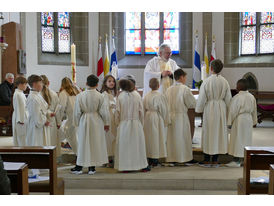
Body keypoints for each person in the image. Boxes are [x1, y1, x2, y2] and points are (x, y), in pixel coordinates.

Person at [195, 59, 232, 168]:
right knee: (218, 132)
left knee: (209, 132)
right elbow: (228, 99)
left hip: (210, 108)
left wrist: (199, 109)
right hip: (220, 107)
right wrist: (227, 110)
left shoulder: (207, 81)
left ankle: (207, 159)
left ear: (211, 68)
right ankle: (216, 159)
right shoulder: (224, 81)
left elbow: (202, 98)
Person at [71, 74, 110, 175]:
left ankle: (79, 167)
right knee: (94, 143)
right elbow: (104, 111)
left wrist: (76, 123)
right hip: (96, 120)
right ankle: (91, 168)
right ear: (97, 85)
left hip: (84, 120)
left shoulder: (80, 96)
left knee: (83, 143)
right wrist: (106, 123)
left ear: (86, 83)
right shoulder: (100, 96)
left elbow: (77, 112)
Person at [114, 78, 150, 172]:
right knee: (137, 146)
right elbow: (141, 112)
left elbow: (117, 112)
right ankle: (140, 165)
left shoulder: (120, 97)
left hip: (124, 123)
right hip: (136, 123)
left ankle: (125, 167)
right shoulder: (137, 95)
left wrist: (118, 124)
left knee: (125, 146)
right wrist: (140, 123)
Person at [165, 69, 196, 165]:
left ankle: (172, 158)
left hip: (171, 116)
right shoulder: (184, 89)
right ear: (181, 77)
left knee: (172, 138)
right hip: (181, 116)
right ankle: (183, 158)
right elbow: (191, 103)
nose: (185, 79)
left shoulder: (169, 89)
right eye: (185, 77)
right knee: (182, 137)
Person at [226, 79, 257, 167]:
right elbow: (254, 110)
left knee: (238, 139)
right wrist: (254, 121)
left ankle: (237, 160)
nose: (236, 87)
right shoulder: (251, 97)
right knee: (246, 139)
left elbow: (232, 111)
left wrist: (229, 122)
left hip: (239, 119)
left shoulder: (237, 97)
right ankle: (244, 159)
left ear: (239, 87)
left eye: (237, 85)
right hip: (248, 119)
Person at [25, 75, 50, 177]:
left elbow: (43, 110)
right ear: (34, 84)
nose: (42, 85)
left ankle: (41, 167)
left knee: (42, 146)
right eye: (40, 83)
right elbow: (37, 117)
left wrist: (46, 116)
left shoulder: (37, 95)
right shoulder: (32, 98)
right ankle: (35, 171)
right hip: (36, 127)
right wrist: (44, 120)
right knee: (36, 145)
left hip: (40, 125)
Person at [143, 78, 169, 167]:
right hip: (156, 117)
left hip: (147, 117)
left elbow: (143, 108)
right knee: (156, 137)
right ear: (158, 86)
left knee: (149, 138)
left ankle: (149, 158)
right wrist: (166, 120)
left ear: (149, 86)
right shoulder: (160, 95)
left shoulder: (146, 95)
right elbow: (163, 109)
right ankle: (155, 159)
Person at [58, 77, 80, 154]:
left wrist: (59, 119)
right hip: (79, 116)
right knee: (76, 136)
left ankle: (78, 155)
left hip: (71, 117)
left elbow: (62, 107)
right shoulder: (76, 91)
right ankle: (79, 154)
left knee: (71, 136)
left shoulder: (63, 93)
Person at [40, 75, 61, 156]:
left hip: (42, 119)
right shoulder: (54, 94)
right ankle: (53, 157)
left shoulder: (38, 94)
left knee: (44, 140)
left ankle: (43, 156)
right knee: (52, 139)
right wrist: (59, 122)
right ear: (48, 83)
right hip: (52, 119)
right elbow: (57, 110)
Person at [100, 74, 118, 167]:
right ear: (105, 83)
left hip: (114, 117)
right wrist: (106, 122)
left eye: (113, 81)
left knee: (114, 137)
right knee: (108, 138)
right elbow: (104, 109)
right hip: (108, 118)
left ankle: (112, 157)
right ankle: (107, 158)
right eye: (109, 81)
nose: (112, 83)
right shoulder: (104, 94)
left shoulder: (113, 94)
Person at [12, 76, 28, 146]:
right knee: (21, 136)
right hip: (20, 118)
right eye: (25, 84)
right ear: (20, 84)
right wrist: (20, 120)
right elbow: (18, 107)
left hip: (23, 116)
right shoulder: (17, 94)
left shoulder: (21, 93)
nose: (26, 86)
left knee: (24, 137)